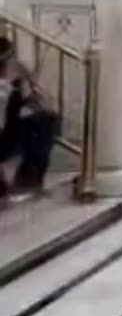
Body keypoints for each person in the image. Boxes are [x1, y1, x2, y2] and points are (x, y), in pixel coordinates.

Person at [0, 38, 58, 200]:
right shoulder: (7, 88)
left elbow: (44, 105)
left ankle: (28, 181)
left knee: (45, 120)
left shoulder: (13, 84)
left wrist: (28, 84)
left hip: (7, 132)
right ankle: (22, 180)